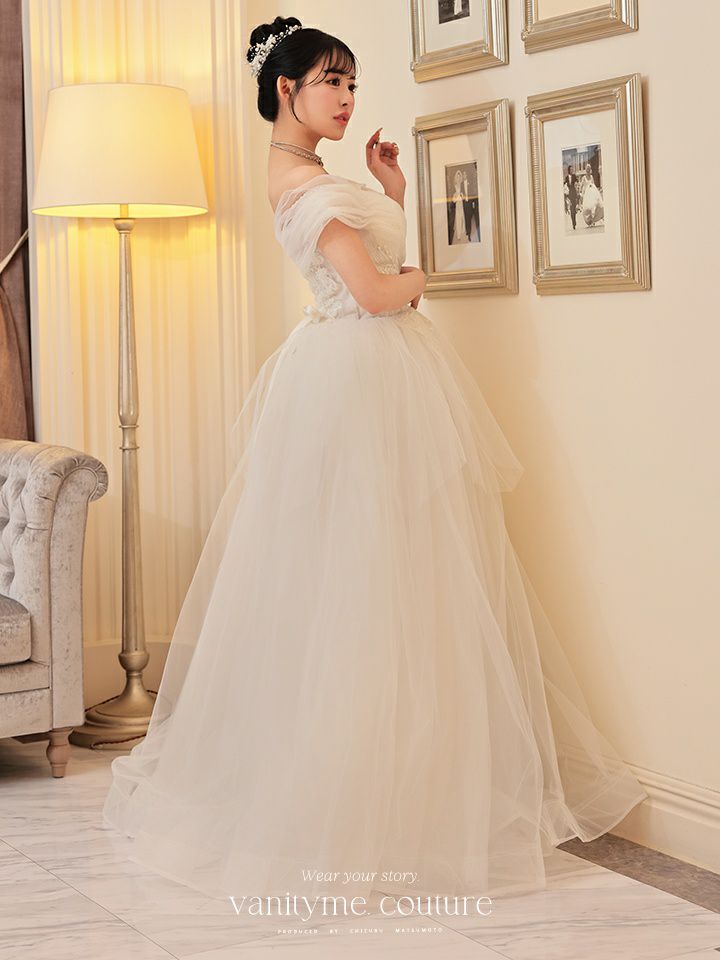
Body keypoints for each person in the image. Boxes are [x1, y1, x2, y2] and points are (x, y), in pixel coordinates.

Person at [102, 15, 648, 905]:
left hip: (366, 379)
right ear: (286, 89)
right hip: (358, 382)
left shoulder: (311, 174)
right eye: (332, 82)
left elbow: (371, 274)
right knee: (366, 592)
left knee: (386, 589)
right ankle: (355, 810)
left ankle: (401, 797)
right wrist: (423, 279)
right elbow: (375, 292)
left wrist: (391, 190)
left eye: (353, 82)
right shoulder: (303, 185)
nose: (349, 98)